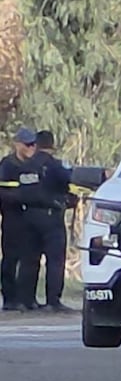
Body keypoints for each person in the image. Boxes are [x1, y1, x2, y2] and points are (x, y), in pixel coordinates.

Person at [19, 130, 74, 313]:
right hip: (51, 217)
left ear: (36, 144)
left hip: (27, 217)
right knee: (55, 260)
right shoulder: (54, 165)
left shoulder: (26, 166)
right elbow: (69, 180)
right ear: (52, 145)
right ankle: (52, 301)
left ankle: (26, 301)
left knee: (29, 260)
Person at [0, 127, 42, 311]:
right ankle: (10, 298)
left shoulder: (36, 166)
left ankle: (28, 298)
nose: (31, 148)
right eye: (28, 144)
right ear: (17, 144)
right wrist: (21, 198)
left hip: (32, 218)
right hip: (12, 217)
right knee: (11, 258)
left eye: (34, 144)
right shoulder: (7, 165)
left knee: (31, 259)